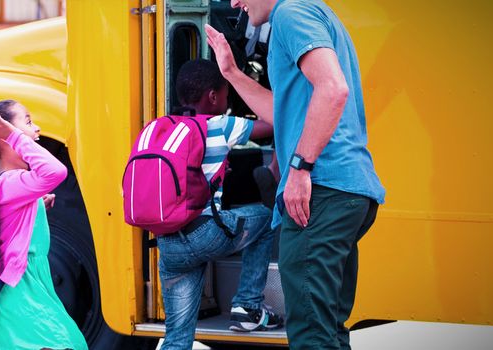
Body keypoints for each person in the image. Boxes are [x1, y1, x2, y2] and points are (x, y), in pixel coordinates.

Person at [206, 0, 386, 348]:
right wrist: (231, 73)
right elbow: (283, 111)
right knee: (328, 329)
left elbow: (333, 89)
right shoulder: (310, 12)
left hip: (321, 192)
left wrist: (300, 168)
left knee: (310, 334)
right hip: (345, 193)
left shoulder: (291, 13)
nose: (233, 2)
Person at [156, 59, 282, 350]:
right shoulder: (220, 125)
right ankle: (247, 305)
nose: (228, 101)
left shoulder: (163, 128)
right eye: (227, 95)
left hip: (168, 243)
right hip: (204, 234)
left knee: (176, 337)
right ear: (213, 97)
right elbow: (273, 121)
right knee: (265, 216)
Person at [0, 100, 87, 350]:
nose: (37, 129)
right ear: (3, 136)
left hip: (25, 289)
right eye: (28, 121)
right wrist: (14, 136)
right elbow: (56, 172)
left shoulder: (7, 183)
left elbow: (8, 231)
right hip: (17, 294)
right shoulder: (10, 182)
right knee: (69, 344)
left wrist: (35, 211)